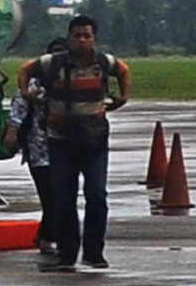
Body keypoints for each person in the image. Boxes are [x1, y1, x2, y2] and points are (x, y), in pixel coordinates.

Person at [33, 14, 129, 271]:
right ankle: (67, 253)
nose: (82, 40)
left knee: (96, 194)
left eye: (87, 36)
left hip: (94, 140)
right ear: (69, 37)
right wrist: (27, 93)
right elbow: (25, 70)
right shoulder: (53, 63)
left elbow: (123, 70)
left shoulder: (103, 62)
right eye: (77, 36)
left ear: (94, 38)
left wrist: (123, 96)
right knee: (64, 198)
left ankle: (94, 253)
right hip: (61, 139)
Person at [6, 37, 66, 260]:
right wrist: (12, 131)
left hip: (64, 147)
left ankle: (46, 235)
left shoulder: (70, 81)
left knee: (61, 195)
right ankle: (49, 237)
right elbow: (19, 107)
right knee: (50, 195)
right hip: (38, 148)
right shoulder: (34, 82)